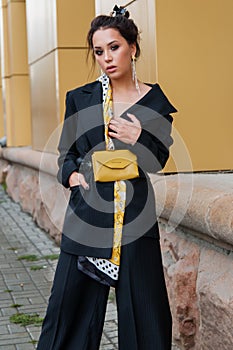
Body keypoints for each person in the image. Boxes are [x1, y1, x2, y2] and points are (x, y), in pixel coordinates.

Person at [37, 4, 177, 350]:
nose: (106, 58)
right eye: (99, 51)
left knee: (145, 314)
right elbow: (65, 156)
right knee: (67, 312)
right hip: (87, 214)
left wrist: (138, 138)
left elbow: (158, 159)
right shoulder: (81, 99)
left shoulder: (155, 102)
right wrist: (70, 177)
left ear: (132, 47)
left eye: (114, 47)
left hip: (135, 218)